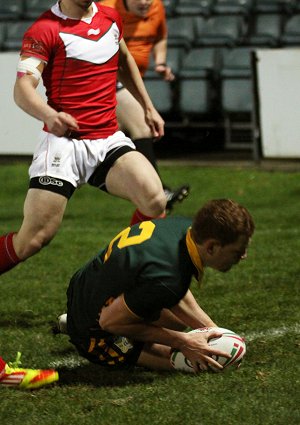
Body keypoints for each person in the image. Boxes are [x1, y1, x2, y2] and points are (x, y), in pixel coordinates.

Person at [0, 0, 168, 276]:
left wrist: (147, 106)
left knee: (155, 200)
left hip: (107, 139)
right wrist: (48, 115)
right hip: (63, 145)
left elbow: (124, 59)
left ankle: (118, 280)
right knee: (32, 240)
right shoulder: (44, 29)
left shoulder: (111, 18)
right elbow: (22, 88)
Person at [57, 199, 254, 373]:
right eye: (238, 251)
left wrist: (214, 330)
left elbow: (171, 290)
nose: (243, 256)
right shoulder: (169, 278)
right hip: (97, 333)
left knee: (178, 322)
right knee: (200, 361)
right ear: (211, 247)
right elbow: (110, 322)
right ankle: (79, 328)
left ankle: (76, 319)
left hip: (85, 287)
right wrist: (182, 342)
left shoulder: (185, 228)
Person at [100, 0, 190, 212]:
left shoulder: (156, 7)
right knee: (141, 125)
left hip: (130, 81)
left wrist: (160, 61)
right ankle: (157, 191)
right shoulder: (107, 9)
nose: (144, 2)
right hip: (108, 76)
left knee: (110, 141)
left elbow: (160, 35)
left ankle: (149, 193)